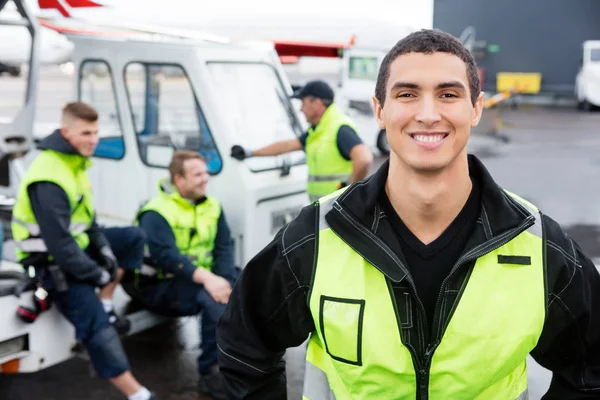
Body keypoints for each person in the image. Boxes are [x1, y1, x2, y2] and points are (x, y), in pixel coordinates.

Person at [216, 29, 600, 399]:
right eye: (407, 94)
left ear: (476, 108)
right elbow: (244, 342)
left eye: (448, 94)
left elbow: (592, 368)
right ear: (380, 110)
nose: (428, 114)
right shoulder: (315, 236)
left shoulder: (537, 243)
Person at [11, 102, 157, 400]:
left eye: (96, 132)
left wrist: (104, 250)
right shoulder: (50, 176)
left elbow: (87, 222)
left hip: (73, 249)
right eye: (86, 133)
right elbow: (60, 246)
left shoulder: (74, 163)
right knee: (97, 326)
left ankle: (105, 303)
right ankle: (139, 395)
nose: (93, 140)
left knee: (132, 237)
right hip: (50, 262)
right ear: (66, 132)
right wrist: (98, 274)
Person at [126, 150, 239, 400]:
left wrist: (225, 280)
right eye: (197, 174)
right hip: (158, 286)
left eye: (206, 173)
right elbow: (167, 258)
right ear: (179, 180)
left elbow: (224, 248)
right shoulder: (155, 212)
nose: (205, 179)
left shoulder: (213, 206)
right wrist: (211, 281)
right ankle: (210, 373)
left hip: (194, 279)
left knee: (245, 284)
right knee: (213, 302)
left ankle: (246, 359)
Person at [230, 80, 373, 202]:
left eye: (303, 103)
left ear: (316, 103)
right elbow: (286, 146)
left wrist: (348, 194)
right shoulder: (317, 131)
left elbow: (364, 159)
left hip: (338, 210)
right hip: (325, 209)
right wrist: (250, 153)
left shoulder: (339, 128)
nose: (301, 109)